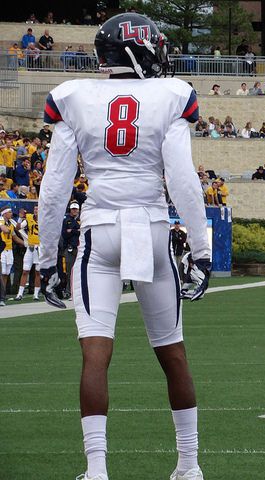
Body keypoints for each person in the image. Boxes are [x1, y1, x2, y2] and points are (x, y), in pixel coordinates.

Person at [37, 13, 210, 480]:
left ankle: (97, 470)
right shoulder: (171, 95)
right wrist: (201, 249)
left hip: (100, 230)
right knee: (172, 351)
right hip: (151, 228)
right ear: (138, 50)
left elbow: (54, 187)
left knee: (96, 354)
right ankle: (189, 466)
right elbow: (183, 180)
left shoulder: (74, 97)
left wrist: (47, 258)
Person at [13, 205, 41, 300]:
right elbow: (18, 228)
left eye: (38, 208)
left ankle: (36, 294)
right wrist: (20, 218)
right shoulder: (29, 218)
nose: (36, 210)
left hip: (40, 248)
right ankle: (20, 294)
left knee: (38, 272)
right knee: (25, 271)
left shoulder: (45, 219)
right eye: (35, 209)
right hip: (30, 247)